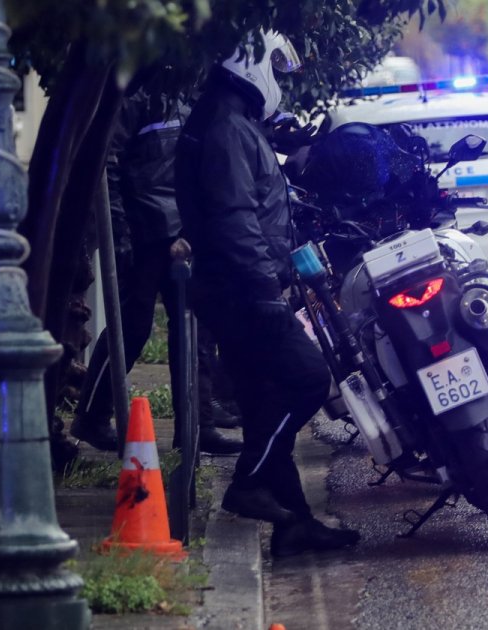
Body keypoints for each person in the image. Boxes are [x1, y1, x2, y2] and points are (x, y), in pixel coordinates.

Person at [175, 30, 360, 557]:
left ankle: (294, 523)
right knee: (307, 378)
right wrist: (263, 289)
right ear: (251, 62)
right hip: (241, 290)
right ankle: (248, 481)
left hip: (231, 287)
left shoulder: (230, 119)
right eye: (273, 67)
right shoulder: (226, 127)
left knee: (262, 404)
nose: (276, 80)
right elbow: (234, 218)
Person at [72, 80, 243, 456]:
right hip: (143, 230)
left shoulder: (190, 94)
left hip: (180, 229)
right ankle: (92, 416)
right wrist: (121, 232)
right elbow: (108, 163)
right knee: (132, 328)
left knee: (192, 332)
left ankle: (196, 428)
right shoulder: (137, 96)